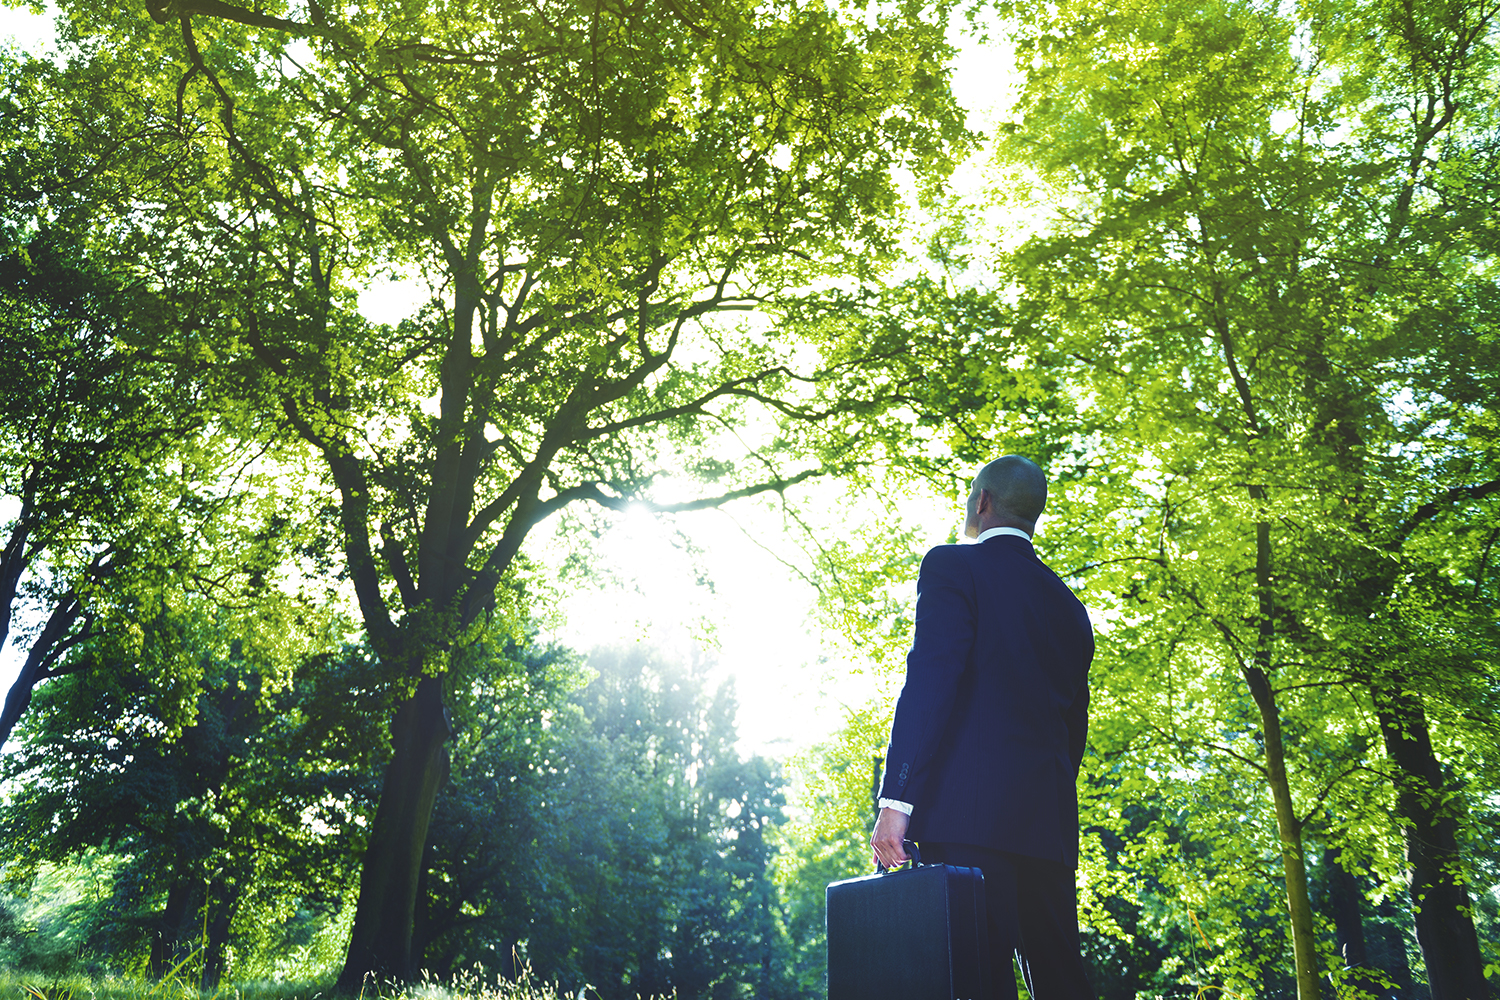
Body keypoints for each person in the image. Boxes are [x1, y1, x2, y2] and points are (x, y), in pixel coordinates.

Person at [871, 455, 1095, 1000]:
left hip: (967, 823)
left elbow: (930, 684)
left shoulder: (953, 567)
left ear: (984, 502)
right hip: (1050, 829)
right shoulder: (1071, 608)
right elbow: (1073, 730)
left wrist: (897, 800)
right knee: (1061, 980)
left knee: (975, 979)